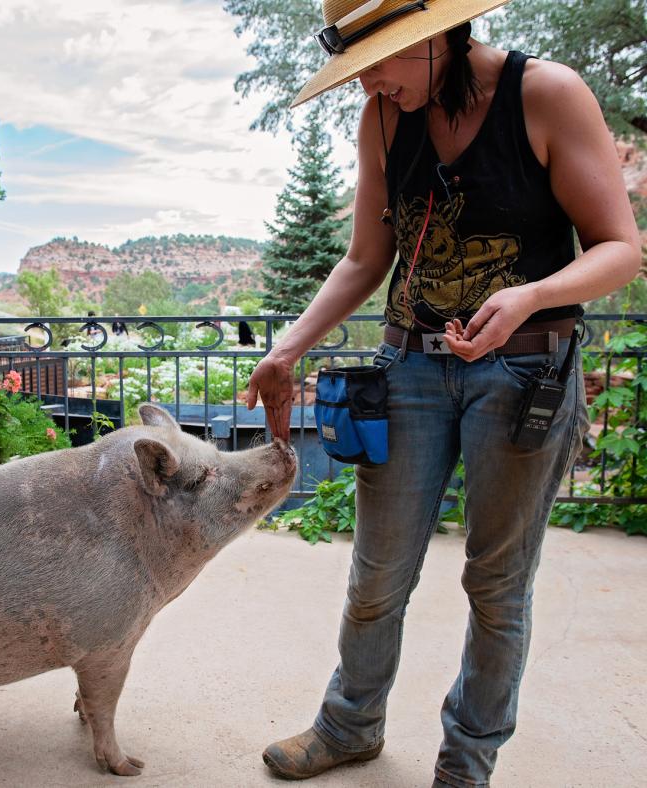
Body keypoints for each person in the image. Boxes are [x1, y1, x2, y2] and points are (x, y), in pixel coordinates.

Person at [246, 2, 640, 786]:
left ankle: (467, 762)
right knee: (376, 574)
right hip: (410, 372)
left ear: (435, 38)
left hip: (525, 372)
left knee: (496, 585)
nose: (371, 85)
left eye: (382, 64)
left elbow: (620, 249)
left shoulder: (547, 94)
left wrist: (528, 298)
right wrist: (288, 347)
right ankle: (349, 726)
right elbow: (365, 259)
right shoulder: (383, 121)